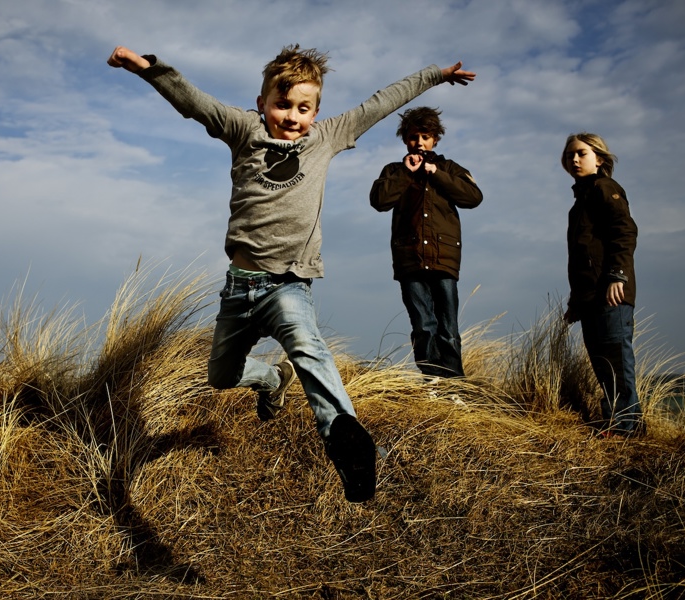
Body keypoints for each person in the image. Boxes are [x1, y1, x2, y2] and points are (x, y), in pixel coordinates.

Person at [108, 44, 475, 501]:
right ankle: (268, 378)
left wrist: (433, 76)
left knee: (309, 347)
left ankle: (344, 437)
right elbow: (194, 102)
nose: (292, 116)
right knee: (221, 376)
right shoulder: (243, 130)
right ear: (263, 103)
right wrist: (148, 69)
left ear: (317, 112)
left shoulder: (327, 137)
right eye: (282, 105)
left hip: (288, 285)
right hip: (239, 287)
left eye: (304, 108)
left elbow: (382, 102)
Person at [370, 107, 482, 379]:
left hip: (444, 259)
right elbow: (379, 201)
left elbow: (473, 197)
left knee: (448, 327)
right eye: (412, 137)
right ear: (405, 139)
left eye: (424, 136)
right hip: (410, 261)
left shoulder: (450, 168)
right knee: (423, 326)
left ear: (435, 139)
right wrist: (406, 175)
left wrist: (435, 173)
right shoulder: (394, 170)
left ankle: (455, 384)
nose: (418, 142)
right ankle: (432, 379)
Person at [561, 132, 643, 437]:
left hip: (612, 293)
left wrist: (617, 276)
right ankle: (622, 423)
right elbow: (583, 257)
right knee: (602, 362)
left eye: (582, 153)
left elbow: (625, 233)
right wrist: (575, 303)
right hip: (590, 297)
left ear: (600, 158)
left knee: (616, 360)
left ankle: (624, 426)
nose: (575, 159)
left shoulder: (605, 188)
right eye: (570, 155)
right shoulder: (579, 204)